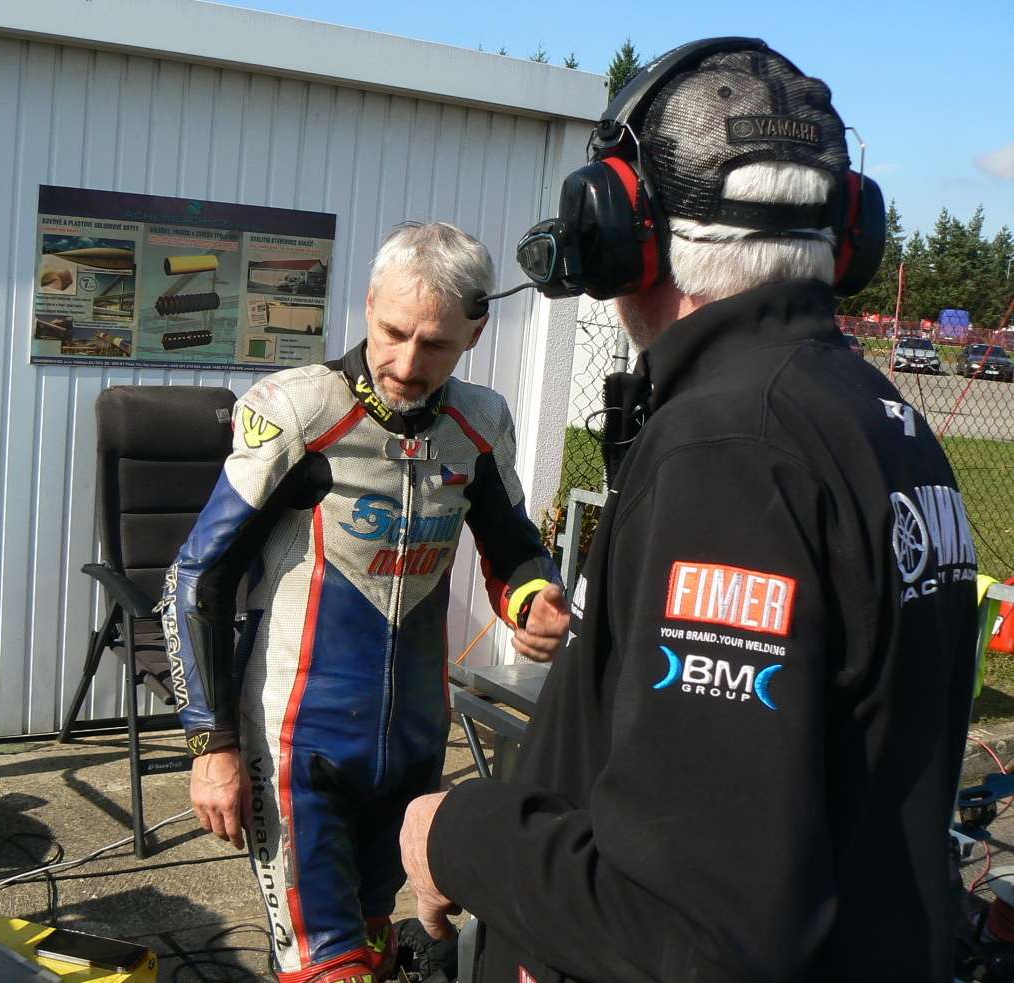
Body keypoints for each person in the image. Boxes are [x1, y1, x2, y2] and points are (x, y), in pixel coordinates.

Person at [400, 40, 979, 982]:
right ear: (845, 234)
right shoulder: (878, 418)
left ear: (616, 228)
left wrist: (453, 836)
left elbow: (695, 928)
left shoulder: (730, 453)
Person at [160, 222, 568, 983]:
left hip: (414, 741)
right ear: (369, 304)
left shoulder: (479, 422)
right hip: (299, 742)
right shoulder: (297, 409)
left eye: (436, 345)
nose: (408, 365)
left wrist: (533, 600)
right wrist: (209, 743)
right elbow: (196, 578)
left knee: (375, 945)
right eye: (394, 333)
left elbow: (513, 547)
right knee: (327, 965)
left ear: (476, 332)